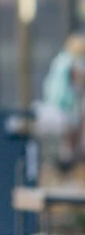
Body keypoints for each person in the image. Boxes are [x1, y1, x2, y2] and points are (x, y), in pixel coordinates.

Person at [42, 33, 85, 174]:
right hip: (61, 110)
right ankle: (68, 164)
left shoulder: (61, 60)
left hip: (57, 109)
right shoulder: (70, 62)